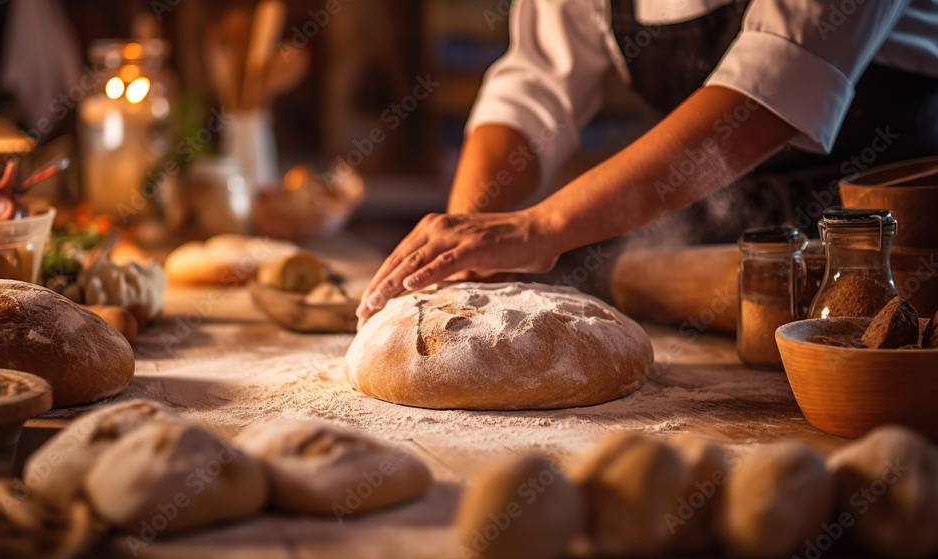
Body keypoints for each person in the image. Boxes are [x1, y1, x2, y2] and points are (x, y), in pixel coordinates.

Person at [356, 0, 938, 321]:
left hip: (893, 251)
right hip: (723, 246)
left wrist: (540, 226)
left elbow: (768, 95)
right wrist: (465, 244)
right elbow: (534, 87)